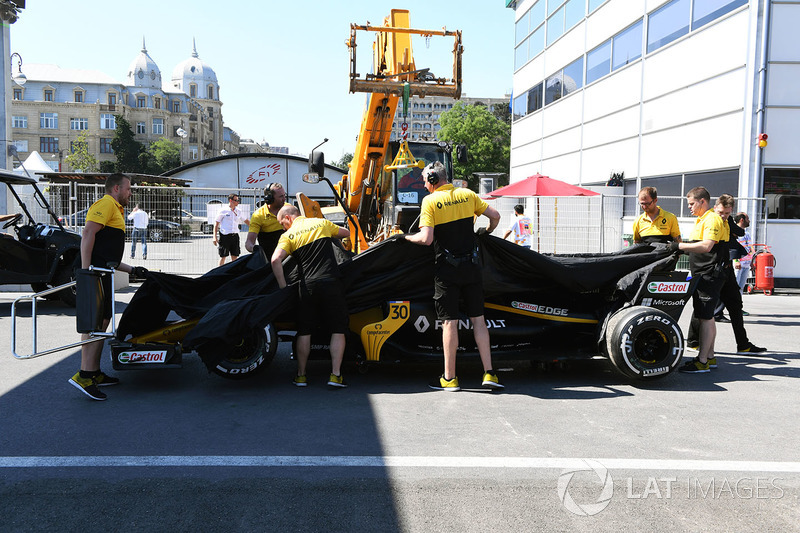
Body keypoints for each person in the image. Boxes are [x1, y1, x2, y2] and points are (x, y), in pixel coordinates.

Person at [400, 161, 504, 391]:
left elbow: (426, 239)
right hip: (472, 267)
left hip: (447, 270)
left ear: (434, 180)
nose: (425, 186)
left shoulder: (430, 201)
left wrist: (405, 237)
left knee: (449, 322)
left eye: (426, 181)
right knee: (479, 320)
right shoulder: (468, 194)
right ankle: (490, 374)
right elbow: (495, 216)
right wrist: (486, 232)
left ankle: (450, 378)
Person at [68, 173, 145, 401]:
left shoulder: (116, 210)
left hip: (101, 271)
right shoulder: (105, 203)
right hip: (93, 273)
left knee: (102, 322)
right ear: (116, 189)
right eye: (128, 189)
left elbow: (107, 254)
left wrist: (133, 270)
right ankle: (85, 374)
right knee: (92, 324)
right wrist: (85, 271)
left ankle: (94, 373)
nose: (130, 193)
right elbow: (88, 233)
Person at [270, 205, 351, 388]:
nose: (283, 228)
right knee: (338, 329)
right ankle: (335, 376)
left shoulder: (288, 236)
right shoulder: (320, 223)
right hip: (332, 282)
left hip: (308, 287)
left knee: (305, 330)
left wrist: (284, 287)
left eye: (282, 223)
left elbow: (275, 260)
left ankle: (301, 376)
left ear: (289, 218)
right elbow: (345, 233)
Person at [686, 196, 766, 355]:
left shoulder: (726, 221)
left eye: (728, 213)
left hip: (725, 268)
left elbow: (739, 232)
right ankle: (694, 342)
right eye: (722, 212)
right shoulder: (711, 220)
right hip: (713, 269)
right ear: (715, 208)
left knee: (735, 305)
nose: (724, 215)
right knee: (704, 306)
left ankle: (742, 344)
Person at [674, 187, 726, 374]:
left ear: (702, 201)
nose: (689, 207)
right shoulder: (702, 219)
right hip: (703, 273)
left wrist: (680, 246)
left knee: (705, 317)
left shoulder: (711, 219)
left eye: (691, 203)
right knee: (708, 317)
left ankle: (701, 361)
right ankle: (710, 357)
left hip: (709, 273)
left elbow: (706, 246)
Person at [245, 183, 286, 258]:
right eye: (281, 196)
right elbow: (249, 242)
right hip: (269, 260)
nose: (284, 199)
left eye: (284, 195)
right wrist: (255, 249)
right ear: (270, 198)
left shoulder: (289, 209)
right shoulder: (258, 215)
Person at [213, 193, 249, 266]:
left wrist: (255, 229)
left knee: (235, 256)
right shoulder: (223, 210)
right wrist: (214, 237)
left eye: (238, 200)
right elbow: (216, 224)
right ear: (230, 200)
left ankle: (233, 273)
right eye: (236, 200)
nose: (238, 202)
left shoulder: (239, 211)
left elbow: (246, 221)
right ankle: (220, 273)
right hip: (225, 236)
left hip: (235, 236)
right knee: (223, 256)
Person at [733, 212, 753, 294]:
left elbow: (750, 248)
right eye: (747, 219)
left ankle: (738, 305)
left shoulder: (747, 234)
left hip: (746, 264)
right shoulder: (735, 233)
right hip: (739, 264)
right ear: (742, 220)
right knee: (735, 286)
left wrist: (752, 262)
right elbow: (733, 248)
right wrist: (736, 261)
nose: (749, 221)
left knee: (741, 287)